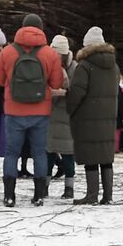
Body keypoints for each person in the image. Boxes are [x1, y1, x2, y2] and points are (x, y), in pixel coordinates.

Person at [0, 13, 64, 208]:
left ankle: (9, 195)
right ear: (40, 29)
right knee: (40, 153)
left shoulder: (7, 52)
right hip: (41, 111)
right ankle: (39, 195)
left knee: (12, 152)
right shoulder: (50, 53)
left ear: (22, 27)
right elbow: (56, 83)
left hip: (14, 111)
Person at [66, 26, 119, 205]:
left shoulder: (85, 66)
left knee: (91, 156)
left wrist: (70, 108)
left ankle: (91, 195)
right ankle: (108, 196)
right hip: (108, 118)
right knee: (105, 157)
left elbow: (77, 93)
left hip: (87, 118)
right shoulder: (115, 67)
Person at [45, 35, 77, 198]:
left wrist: (66, 93)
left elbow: (79, 92)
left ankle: (69, 188)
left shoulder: (75, 69)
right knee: (48, 154)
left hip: (67, 116)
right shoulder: (46, 65)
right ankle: (44, 187)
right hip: (50, 115)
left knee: (68, 154)